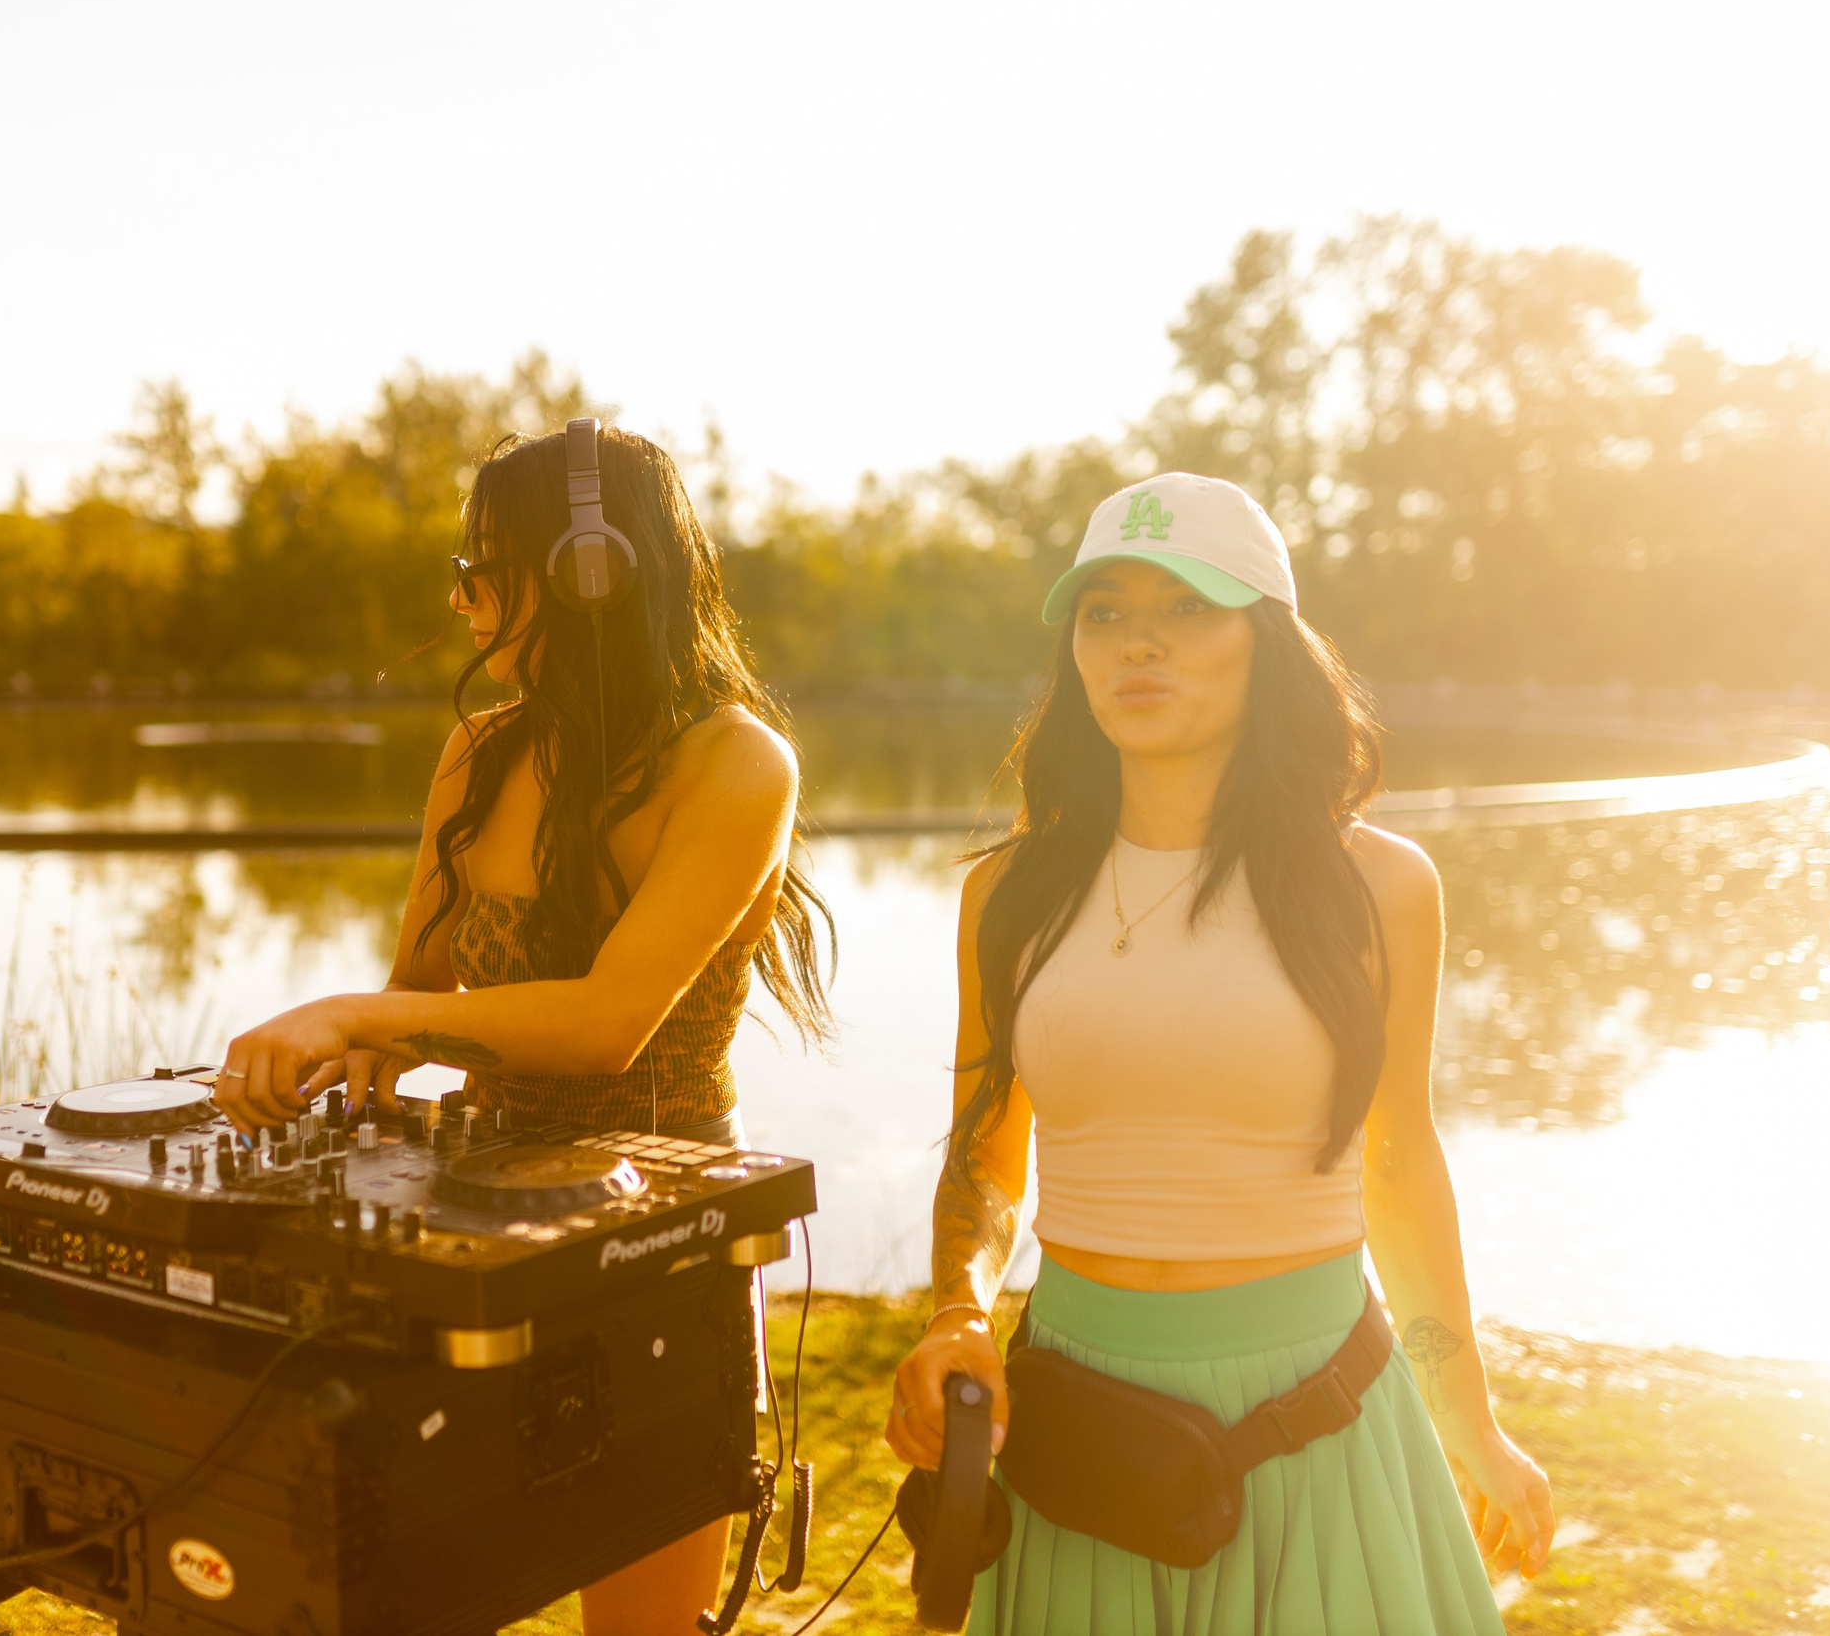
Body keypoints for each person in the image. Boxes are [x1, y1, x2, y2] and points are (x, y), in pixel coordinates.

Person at [884, 473, 1554, 1633]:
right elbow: (986, 1148)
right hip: (1079, 1431)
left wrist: (1470, 1424)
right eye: (1103, 611)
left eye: (1186, 606)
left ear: (1266, 642)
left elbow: (1398, 1159)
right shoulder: (1009, 893)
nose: (1137, 642)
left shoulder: (1378, 886)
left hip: (1313, 1421)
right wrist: (958, 1313)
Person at [214, 421, 833, 1636]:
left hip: (663, 1231)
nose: (459, 602)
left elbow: (607, 1025)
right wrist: (343, 1057)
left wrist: (356, 1013)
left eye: (481, 571)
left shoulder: (739, 763)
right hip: (476, 1219)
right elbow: (418, 994)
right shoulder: (480, 750)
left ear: (593, 571)